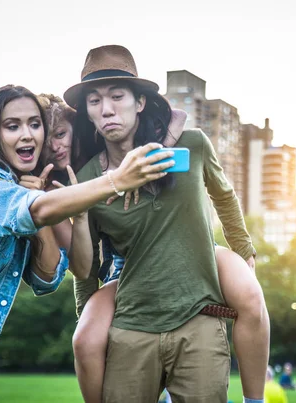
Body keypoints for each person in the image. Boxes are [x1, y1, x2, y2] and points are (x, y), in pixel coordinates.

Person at [0, 85, 174, 402]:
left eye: (35, 124)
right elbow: (38, 209)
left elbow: (46, 278)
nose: (27, 135)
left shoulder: (24, 194)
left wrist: (39, 211)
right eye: (12, 126)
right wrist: (115, 180)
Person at [37, 91, 270, 403]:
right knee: (87, 338)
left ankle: (254, 399)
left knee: (250, 295)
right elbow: (85, 262)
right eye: (46, 141)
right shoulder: (75, 180)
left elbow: (177, 120)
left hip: (193, 247)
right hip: (127, 269)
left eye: (61, 134)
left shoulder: (159, 143)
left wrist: (243, 249)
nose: (55, 145)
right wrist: (90, 309)